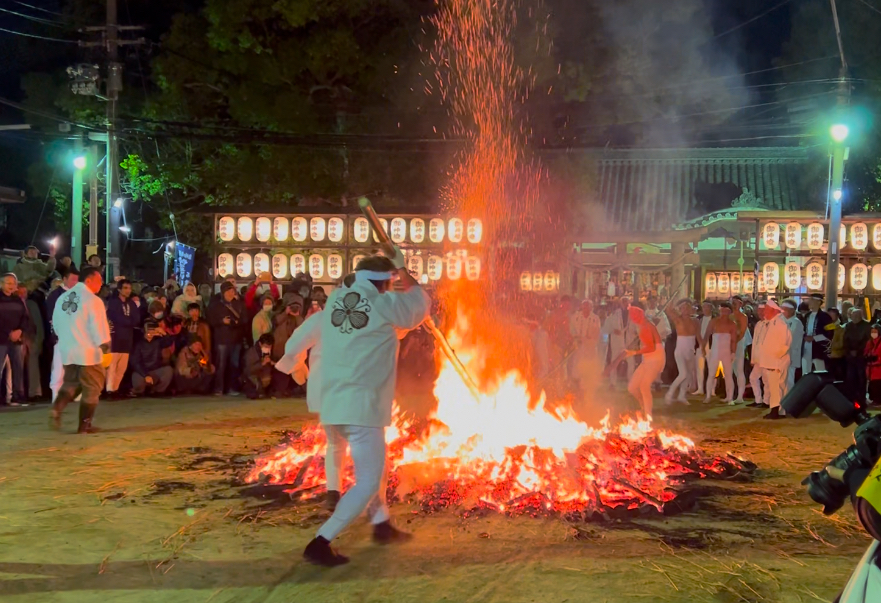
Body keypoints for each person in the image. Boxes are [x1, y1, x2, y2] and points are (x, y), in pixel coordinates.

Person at [303, 252, 430, 567]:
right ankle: (321, 541)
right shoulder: (382, 304)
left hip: (333, 403)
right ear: (384, 282)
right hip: (361, 406)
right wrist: (402, 270)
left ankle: (381, 524)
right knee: (369, 480)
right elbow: (419, 304)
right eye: (389, 282)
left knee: (376, 467)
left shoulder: (335, 300)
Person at [275, 302, 341, 509]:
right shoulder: (372, 314)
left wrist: (296, 363)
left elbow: (293, 346)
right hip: (359, 386)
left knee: (336, 443)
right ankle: (369, 493)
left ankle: (334, 492)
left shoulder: (323, 318)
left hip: (326, 385)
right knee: (364, 440)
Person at [49, 266, 111, 433]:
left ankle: (57, 409)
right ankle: (84, 425)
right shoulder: (93, 300)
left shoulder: (62, 298)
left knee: (72, 382)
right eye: (99, 280)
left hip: (68, 350)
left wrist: (66, 340)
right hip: (88, 352)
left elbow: (55, 324)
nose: (101, 284)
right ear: (89, 280)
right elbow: (98, 327)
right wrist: (105, 345)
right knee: (92, 386)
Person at [753, 300, 792, 420]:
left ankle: (776, 411)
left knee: (777, 387)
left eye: (766, 310)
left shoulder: (780, 324)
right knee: (777, 387)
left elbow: (784, 345)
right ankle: (779, 411)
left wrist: (775, 359)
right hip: (772, 361)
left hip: (776, 362)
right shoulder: (772, 323)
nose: (764, 312)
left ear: (774, 311)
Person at [624, 304, 665, 418]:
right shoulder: (643, 325)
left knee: (644, 385)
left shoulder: (646, 326)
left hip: (655, 357)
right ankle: (643, 405)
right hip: (648, 358)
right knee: (632, 387)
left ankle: (648, 415)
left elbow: (651, 347)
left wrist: (634, 353)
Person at [46, 268, 79, 402]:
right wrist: (56, 334)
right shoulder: (55, 295)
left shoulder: (79, 294)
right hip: (62, 338)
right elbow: (51, 317)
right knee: (59, 369)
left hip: (77, 338)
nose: (75, 282)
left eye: (77, 280)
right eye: (72, 279)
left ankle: (76, 395)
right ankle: (56, 395)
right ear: (64, 279)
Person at [208, 281, 245, 395]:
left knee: (234, 365)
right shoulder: (215, 305)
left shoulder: (239, 304)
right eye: (228, 291)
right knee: (221, 365)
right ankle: (219, 388)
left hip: (236, 339)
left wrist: (236, 322)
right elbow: (210, 320)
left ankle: (232, 388)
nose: (230, 293)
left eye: (232, 291)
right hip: (222, 340)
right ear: (223, 292)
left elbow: (245, 319)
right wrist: (221, 321)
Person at [105, 279, 140, 397]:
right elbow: (115, 317)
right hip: (115, 336)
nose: (128, 291)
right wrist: (128, 321)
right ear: (119, 289)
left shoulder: (131, 304)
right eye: (125, 288)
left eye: (129, 288)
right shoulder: (114, 302)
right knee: (112, 365)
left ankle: (115, 389)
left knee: (122, 366)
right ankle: (109, 389)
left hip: (127, 338)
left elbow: (136, 319)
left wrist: (127, 322)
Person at [0, 273, 28, 406]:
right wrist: (8, 333)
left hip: (17, 339)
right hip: (1, 339)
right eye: (8, 283)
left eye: (13, 283)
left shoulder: (19, 300)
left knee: (18, 367)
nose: (11, 286)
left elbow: (25, 317)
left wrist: (20, 330)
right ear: (1, 284)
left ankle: (18, 395)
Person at [665, 299, 700, 404]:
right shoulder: (678, 319)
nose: (685, 310)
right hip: (680, 350)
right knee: (683, 373)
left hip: (690, 350)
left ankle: (682, 395)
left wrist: (702, 346)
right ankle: (669, 394)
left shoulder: (695, 321)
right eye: (683, 308)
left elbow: (698, 335)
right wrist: (674, 300)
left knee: (688, 375)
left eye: (687, 308)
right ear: (680, 309)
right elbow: (668, 309)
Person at [129, 320, 175, 396]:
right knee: (138, 382)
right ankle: (140, 391)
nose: (150, 333)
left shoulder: (158, 341)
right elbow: (135, 362)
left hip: (155, 369)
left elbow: (169, 342)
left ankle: (158, 391)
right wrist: (146, 375)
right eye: (148, 330)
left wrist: (164, 333)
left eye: (152, 330)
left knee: (168, 371)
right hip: (142, 372)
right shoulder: (138, 344)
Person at [703, 302, 737, 404]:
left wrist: (733, 353)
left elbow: (734, 340)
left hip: (726, 352)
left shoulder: (732, 324)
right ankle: (708, 395)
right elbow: (706, 335)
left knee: (728, 375)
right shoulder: (714, 322)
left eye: (726, 311)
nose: (724, 313)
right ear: (719, 311)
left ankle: (730, 397)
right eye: (722, 311)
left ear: (729, 312)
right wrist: (703, 348)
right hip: (714, 351)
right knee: (711, 374)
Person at [569, 299, 601, 394]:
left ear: (591, 308)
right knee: (576, 366)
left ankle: (587, 388)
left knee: (588, 367)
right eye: (584, 306)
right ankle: (576, 387)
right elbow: (572, 328)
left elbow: (597, 332)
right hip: (578, 346)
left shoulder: (595, 318)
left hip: (589, 347)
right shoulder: (576, 317)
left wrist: (589, 339)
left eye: (588, 306)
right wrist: (576, 337)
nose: (586, 308)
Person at [844, 308, 872, 407]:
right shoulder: (848, 326)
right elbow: (845, 340)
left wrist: (858, 350)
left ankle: (861, 399)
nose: (855, 318)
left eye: (857, 316)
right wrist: (850, 350)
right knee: (850, 378)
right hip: (850, 356)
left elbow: (868, 341)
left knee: (861, 378)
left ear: (861, 316)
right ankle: (852, 398)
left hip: (861, 356)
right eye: (853, 316)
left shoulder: (867, 326)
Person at [803, 293, 832, 373]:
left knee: (820, 371)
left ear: (818, 302)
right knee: (805, 372)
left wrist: (814, 338)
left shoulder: (825, 316)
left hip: (819, 349)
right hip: (806, 347)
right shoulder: (807, 316)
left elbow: (829, 333)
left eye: (811, 300)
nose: (809, 302)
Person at [730, 296, 752, 404]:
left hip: (739, 344)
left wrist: (734, 343)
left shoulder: (743, 317)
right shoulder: (730, 316)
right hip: (730, 344)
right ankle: (732, 394)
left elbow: (742, 332)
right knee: (731, 370)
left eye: (736, 303)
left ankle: (740, 396)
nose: (734, 305)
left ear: (740, 304)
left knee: (739, 370)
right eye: (732, 302)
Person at [780, 300, 804, 395]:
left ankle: (789, 401)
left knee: (789, 380)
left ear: (792, 310)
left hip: (791, 355)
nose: (783, 311)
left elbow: (792, 340)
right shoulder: (780, 321)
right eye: (783, 309)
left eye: (786, 309)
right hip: (780, 355)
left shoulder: (796, 323)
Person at [243, 333, 275, 398]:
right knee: (252, 394)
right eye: (266, 346)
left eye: (270, 347)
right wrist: (262, 363)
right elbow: (248, 370)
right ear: (260, 344)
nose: (268, 348)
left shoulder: (272, 351)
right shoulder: (251, 352)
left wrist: (273, 363)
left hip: (266, 376)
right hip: (253, 378)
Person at [693, 301, 714, 396]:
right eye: (704, 307)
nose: (705, 309)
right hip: (700, 345)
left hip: (711, 346)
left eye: (707, 307)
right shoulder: (699, 319)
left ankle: (712, 390)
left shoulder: (714, 319)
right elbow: (697, 332)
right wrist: (701, 344)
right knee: (699, 368)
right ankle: (700, 388)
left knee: (712, 368)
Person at [825, 308, 846, 381]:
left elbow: (841, 343)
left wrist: (830, 347)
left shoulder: (841, 329)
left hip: (836, 356)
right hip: (826, 356)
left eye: (832, 315)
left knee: (837, 377)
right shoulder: (826, 327)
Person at [865, 324, 881, 406]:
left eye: (875, 332)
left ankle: (877, 401)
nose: (873, 333)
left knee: (877, 385)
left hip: (878, 369)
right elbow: (866, 352)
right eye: (872, 332)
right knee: (872, 386)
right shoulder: (869, 342)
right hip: (871, 369)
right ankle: (873, 400)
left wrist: (876, 361)